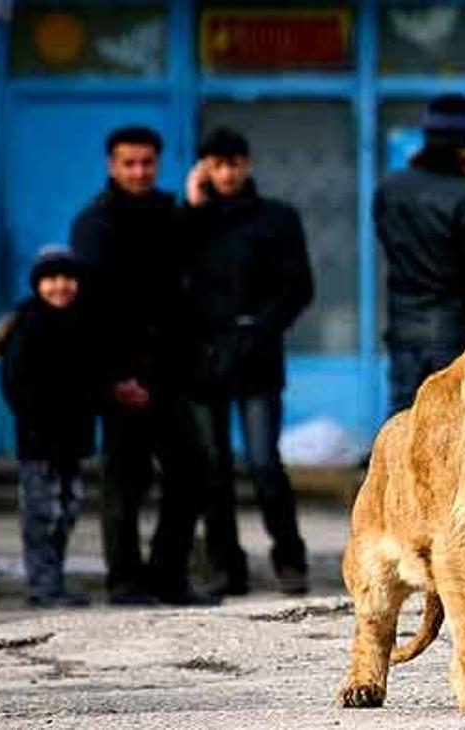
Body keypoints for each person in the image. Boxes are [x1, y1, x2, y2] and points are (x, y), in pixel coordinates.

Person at [71, 126, 215, 606]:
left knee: (193, 471)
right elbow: (89, 307)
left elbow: (190, 263)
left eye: (147, 163)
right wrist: (112, 378)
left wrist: (195, 207)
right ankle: (125, 582)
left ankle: (167, 576)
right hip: (122, 374)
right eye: (129, 163)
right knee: (124, 483)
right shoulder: (95, 224)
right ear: (112, 165)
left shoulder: (168, 213)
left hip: (170, 371)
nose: (139, 171)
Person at [183, 127, 315, 597]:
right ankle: (224, 566)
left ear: (248, 163)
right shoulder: (190, 222)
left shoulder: (277, 218)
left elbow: (298, 287)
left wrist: (258, 327)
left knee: (262, 463)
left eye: (234, 163)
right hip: (205, 362)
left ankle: (289, 558)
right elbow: (175, 278)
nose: (227, 173)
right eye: (217, 165)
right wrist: (193, 208)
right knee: (213, 469)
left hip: (257, 359)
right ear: (204, 169)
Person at [374, 94, 465, 414]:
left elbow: (389, 244)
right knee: (455, 424)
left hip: (403, 328)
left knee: (403, 424)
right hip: (458, 333)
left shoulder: (391, 188)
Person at [0, 247, 99, 608]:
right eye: (51, 279)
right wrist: (35, 423)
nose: (60, 286)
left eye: (67, 278)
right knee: (41, 515)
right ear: (39, 284)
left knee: (66, 511)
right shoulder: (30, 325)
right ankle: (42, 587)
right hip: (39, 442)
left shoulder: (82, 323)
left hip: (72, 439)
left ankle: (54, 581)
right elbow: (16, 384)